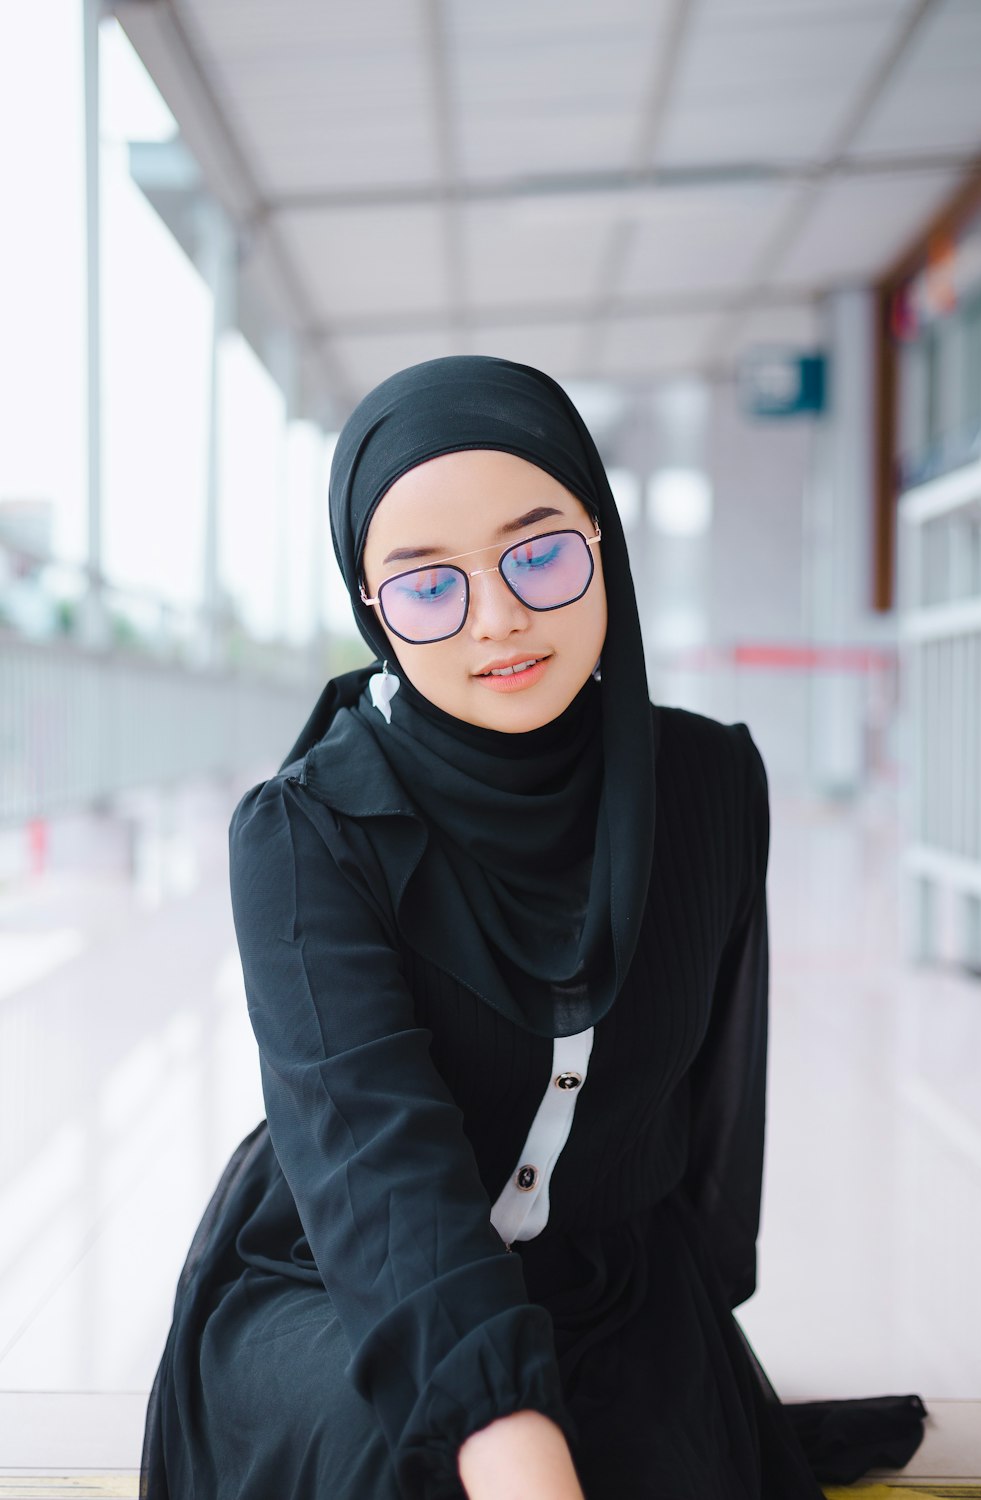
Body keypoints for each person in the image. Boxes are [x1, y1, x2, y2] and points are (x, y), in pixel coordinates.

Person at [140, 355, 926, 1500]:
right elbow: (373, 1159)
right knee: (404, 1461)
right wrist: (500, 1427)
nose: (498, 618)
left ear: (602, 539)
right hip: (340, 1277)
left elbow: (707, 1107)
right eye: (425, 585)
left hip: (607, 1277)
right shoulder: (307, 832)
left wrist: (690, 1342)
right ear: (371, 609)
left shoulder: (708, 786)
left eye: (541, 552)